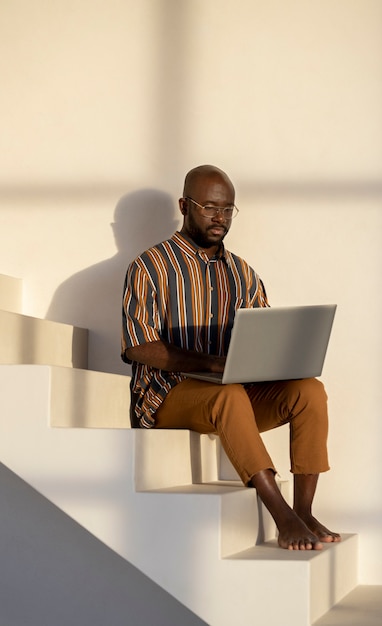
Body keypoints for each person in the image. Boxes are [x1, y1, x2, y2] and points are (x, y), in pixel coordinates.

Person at [122, 165, 340, 550]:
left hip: (232, 392)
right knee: (229, 395)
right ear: (184, 205)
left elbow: (263, 338)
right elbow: (138, 345)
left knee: (310, 391)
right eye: (209, 207)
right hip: (166, 397)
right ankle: (282, 515)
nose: (219, 218)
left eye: (227, 209)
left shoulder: (243, 273)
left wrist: (282, 358)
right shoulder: (150, 266)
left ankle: (304, 511)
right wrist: (212, 364)